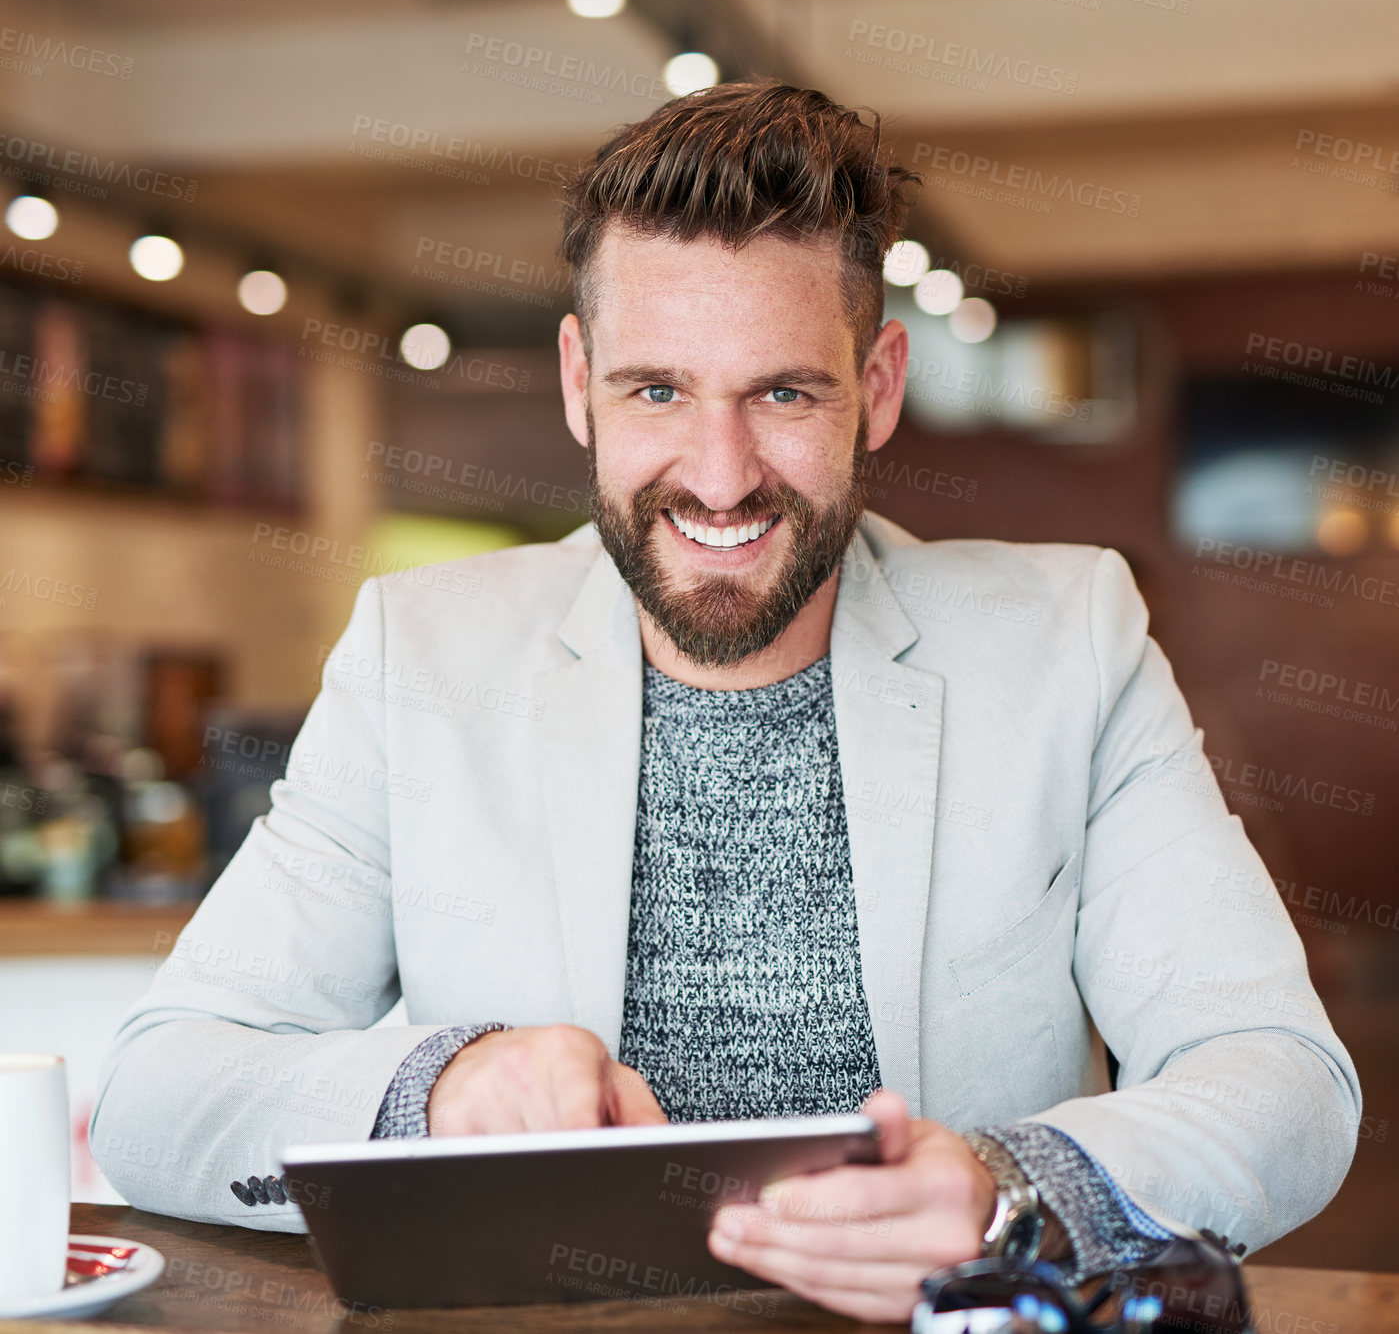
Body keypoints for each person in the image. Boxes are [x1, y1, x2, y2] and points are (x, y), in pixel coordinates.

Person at [91, 82, 1359, 1325]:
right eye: (658, 391)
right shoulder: (419, 653)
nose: (718, 476)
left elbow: (1283, 1080)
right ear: (579, 379)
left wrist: (1007, 1191)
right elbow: (162, 1094)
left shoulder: (1068, 640)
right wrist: (440, 1088)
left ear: (876, 384)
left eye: (782, 393)